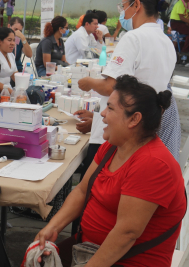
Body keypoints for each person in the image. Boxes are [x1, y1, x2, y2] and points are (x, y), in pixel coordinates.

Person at [35, 75, 186, 267]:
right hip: (89, 249)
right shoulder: (114, 146)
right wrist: (52, 227)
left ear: (134, 119)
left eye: (111, 108)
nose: (103, 113)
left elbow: (127, 233)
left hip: (130, 261)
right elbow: (82, 191)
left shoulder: (153, 163)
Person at [77, 0, 180, 161]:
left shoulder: (134, 38)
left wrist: (89, 82)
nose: (122, 12)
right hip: (141, 129)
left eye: (123, 6)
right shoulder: (166, 41)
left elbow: (112, 86)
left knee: (100, 182)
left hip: (118, 130)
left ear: (136, 5)